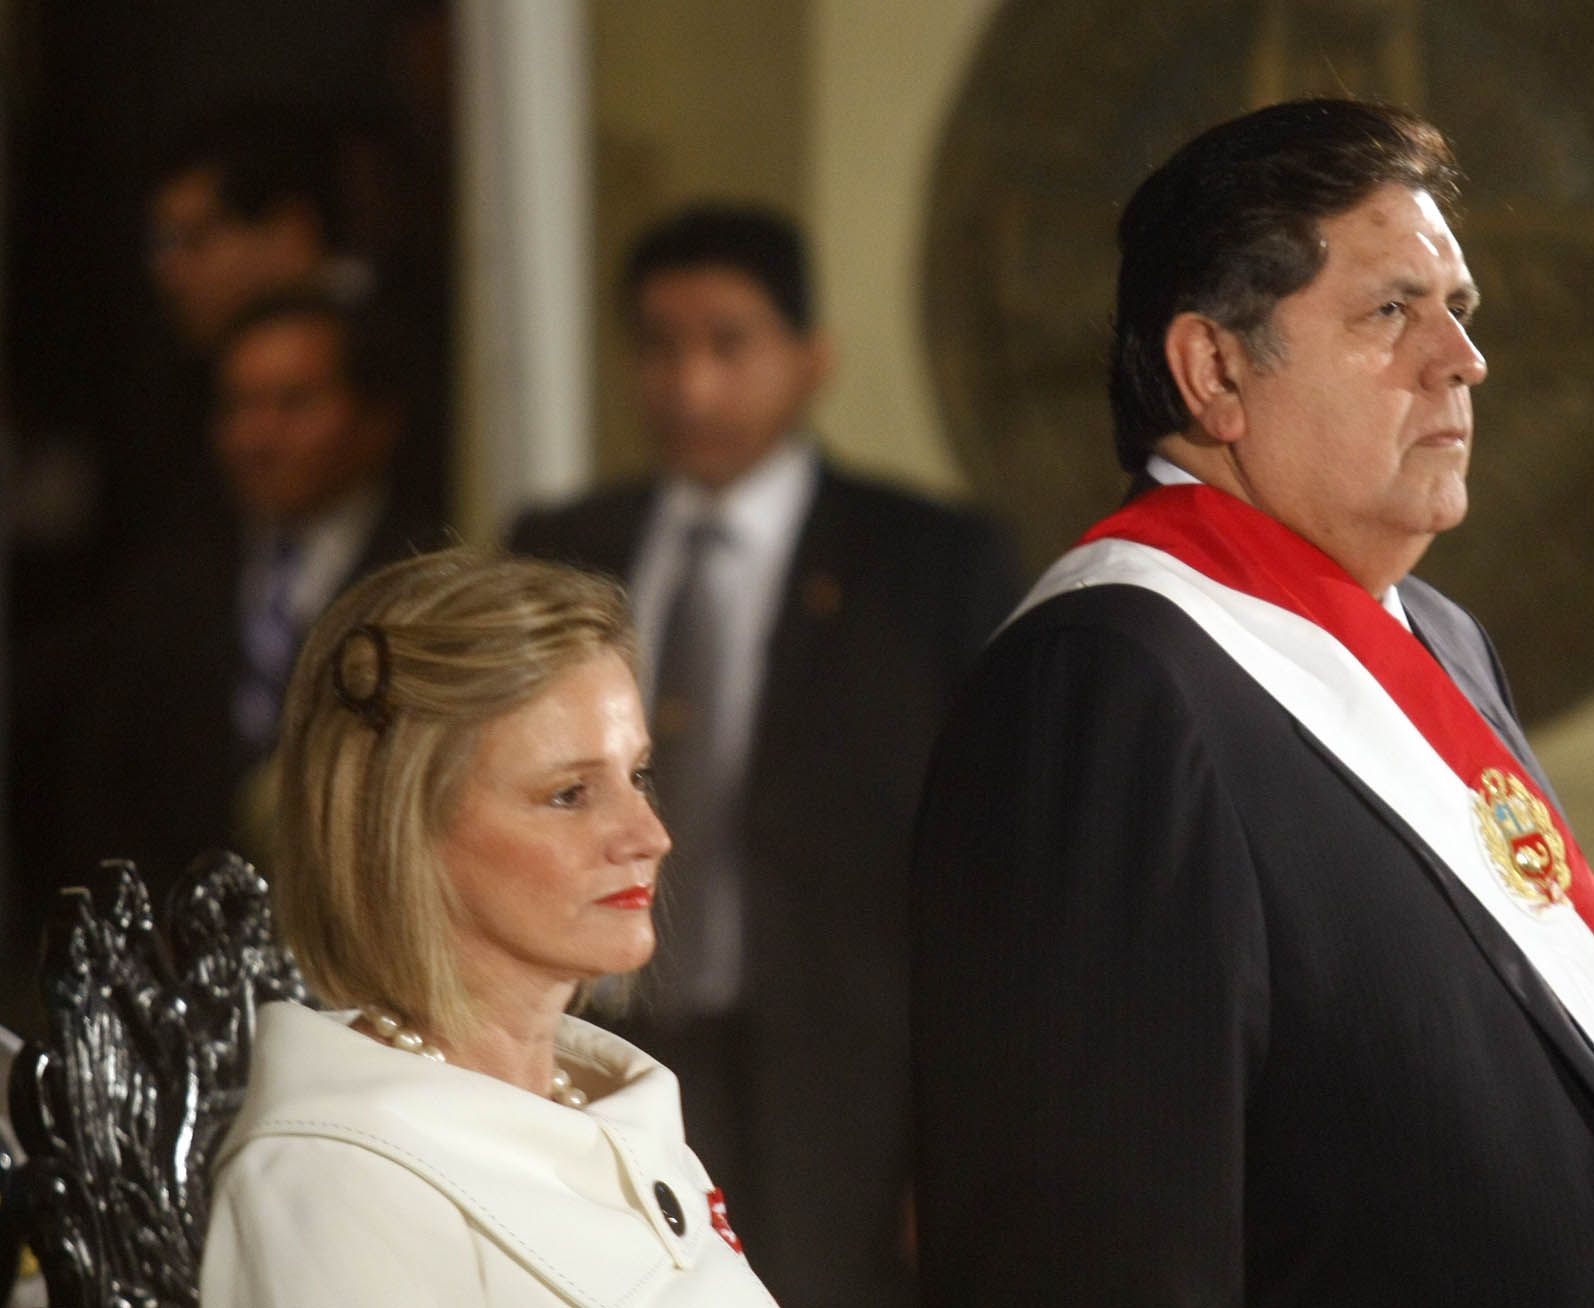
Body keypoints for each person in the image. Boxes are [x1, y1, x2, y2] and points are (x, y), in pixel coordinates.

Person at [910, 99, 1594, 1307]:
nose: (1463, 358)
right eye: (1389, 312)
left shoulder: (1444, 640)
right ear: (1214, 369)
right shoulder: (1104, 682)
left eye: (1457, 309)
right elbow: (1087, 1240)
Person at [510, 204, 1018, 1308]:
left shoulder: (928, 564)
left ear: (810, 358)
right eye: (658, 346)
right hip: (592, 1047)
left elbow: (990, 873)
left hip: (844, 1087)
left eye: (728, 344)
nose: (689, 385)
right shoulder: (562, 545)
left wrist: (961, 1140)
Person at [200, 548, 778, 1306]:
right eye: (570, 794)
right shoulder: (335, 1187)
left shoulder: (620, 1115)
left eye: (636, 776)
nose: (649, 834)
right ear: (402, 833)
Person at [11, 291, 438, 936]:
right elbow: (105, 801)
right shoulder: (162, 583)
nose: (257, 437)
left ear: (376, 419)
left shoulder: (434, 584)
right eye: (238, 406)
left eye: (295, 403)